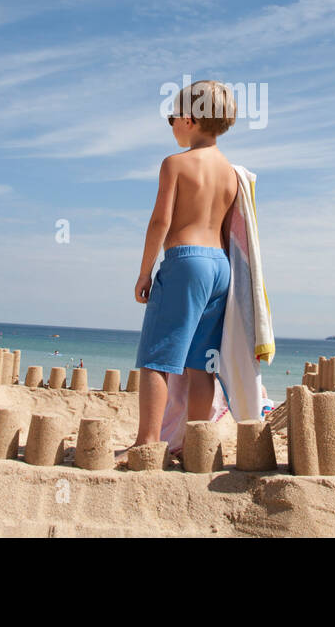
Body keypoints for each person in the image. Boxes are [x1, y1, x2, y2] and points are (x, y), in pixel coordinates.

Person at [125, 80, 238, 455]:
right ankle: (195, 446)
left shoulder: (175, 164)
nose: (171, 124)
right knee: (201, 364)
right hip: (219, 267)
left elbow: (160, 221)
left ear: (189, 120)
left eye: (172, 118)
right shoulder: (231, 173)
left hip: (185, 262)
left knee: (156, 357)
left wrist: (145, 271)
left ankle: (146, 444)